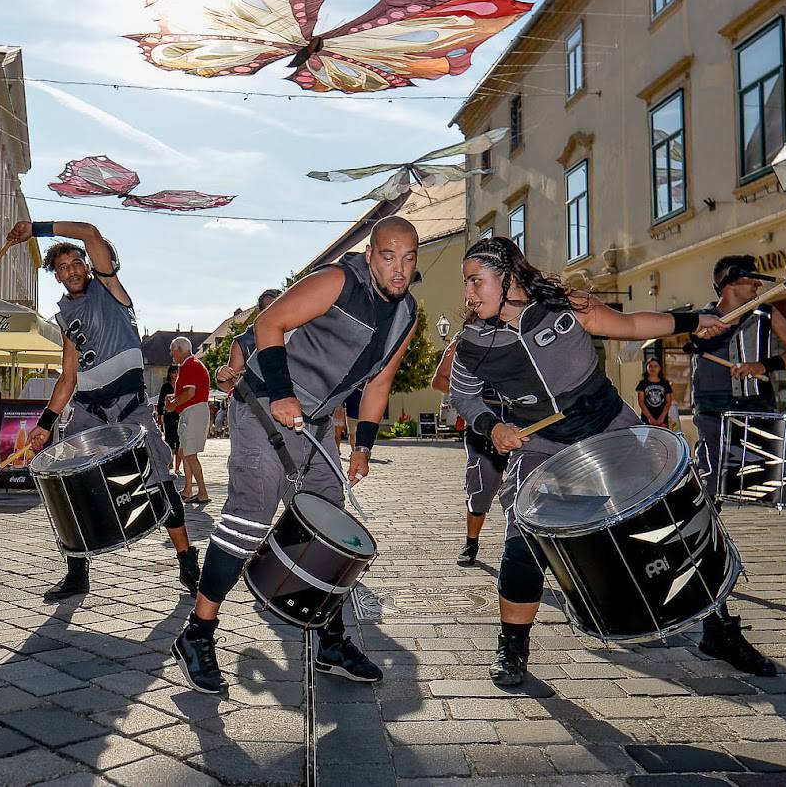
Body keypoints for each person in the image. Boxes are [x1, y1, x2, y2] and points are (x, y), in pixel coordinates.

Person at [446, 237, 736, 686]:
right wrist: (491, 427)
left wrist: (694, 320)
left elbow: (633, 323)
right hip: (541, 446)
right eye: (466, 283)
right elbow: (461, 394)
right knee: (524, 540)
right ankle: (512, 650)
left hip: (609, 425)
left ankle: (718, 629)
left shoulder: (565, 304)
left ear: (507, 276)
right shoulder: (471, 342)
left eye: (475, 281)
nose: (469, 293)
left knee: (670, 519)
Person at [174, 218, 421, 695]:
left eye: (409, 258)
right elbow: (270, 323)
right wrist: (284, 394)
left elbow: (379, 383)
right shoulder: (338, 279)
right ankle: (197, 634)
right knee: (249, 518)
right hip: (268, 405)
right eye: (389, 256)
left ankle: (329, 641)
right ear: (371, 255)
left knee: (330, 530)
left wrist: (363, 445)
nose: (399, 268)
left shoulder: (406, 314)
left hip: (318, 425)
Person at [5, 219, 200, 603]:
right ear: (56, 277)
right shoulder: (64, 316)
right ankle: (77, 572)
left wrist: (36, 229)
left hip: (130, 407)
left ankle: (186, 559)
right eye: (62, 268)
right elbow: (68, 377)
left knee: (158, 479)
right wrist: (45, 424)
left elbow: (91, 233)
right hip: (87, 409)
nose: (71, 270)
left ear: (90, 265)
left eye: (76, 262)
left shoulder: (110, 290)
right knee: (69, 486)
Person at [685, 255, 786, 589]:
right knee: (708, 490)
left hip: (759, 409)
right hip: (715, 416)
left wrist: (764, 366)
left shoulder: (766, 312)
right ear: (731, 281)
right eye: (752, 279)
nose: (758, 285)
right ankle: (697, 564)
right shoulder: (700, 317)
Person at [430, 336, 507, 566]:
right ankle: (471, 542)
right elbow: (438, 381)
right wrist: (470, 394)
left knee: (526, 487)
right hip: (482, 423)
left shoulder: (522, 332)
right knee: (481, 485)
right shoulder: (463, 341)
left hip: (522, 421)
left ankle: (521, 546)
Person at [168, 338, 212, 504]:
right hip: (192, 411)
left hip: (193, 412)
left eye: (172, 350)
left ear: (180, 350)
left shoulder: (190, 365)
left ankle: (202, 492)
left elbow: (189, 393)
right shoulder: (190, 365)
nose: (172, 354)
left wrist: (172, 404)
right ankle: (188, 490)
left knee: (190, 454)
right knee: (184, 452)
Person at [157, 364, 183, 475]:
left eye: (177, 372)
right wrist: (160, 416)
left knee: (180, 442)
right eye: (173, 372)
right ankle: (169, 462)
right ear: (169, 374)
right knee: (169, 440)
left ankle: (177, 467)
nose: (175, 375)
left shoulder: (182, 386)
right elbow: (160, 402)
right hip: (169, 416)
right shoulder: (166, 387)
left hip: (180, 415)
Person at [635, 358, 673, 428]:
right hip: (646, 418)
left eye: (655, 366)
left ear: (660, 368)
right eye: (650, 366)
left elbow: (669, 401)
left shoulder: (665, 383)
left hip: (662, 418)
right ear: (646, 367)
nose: (653, 368)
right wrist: (650, 418)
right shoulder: (642, 384)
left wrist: (662, 417)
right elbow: (641, 402)